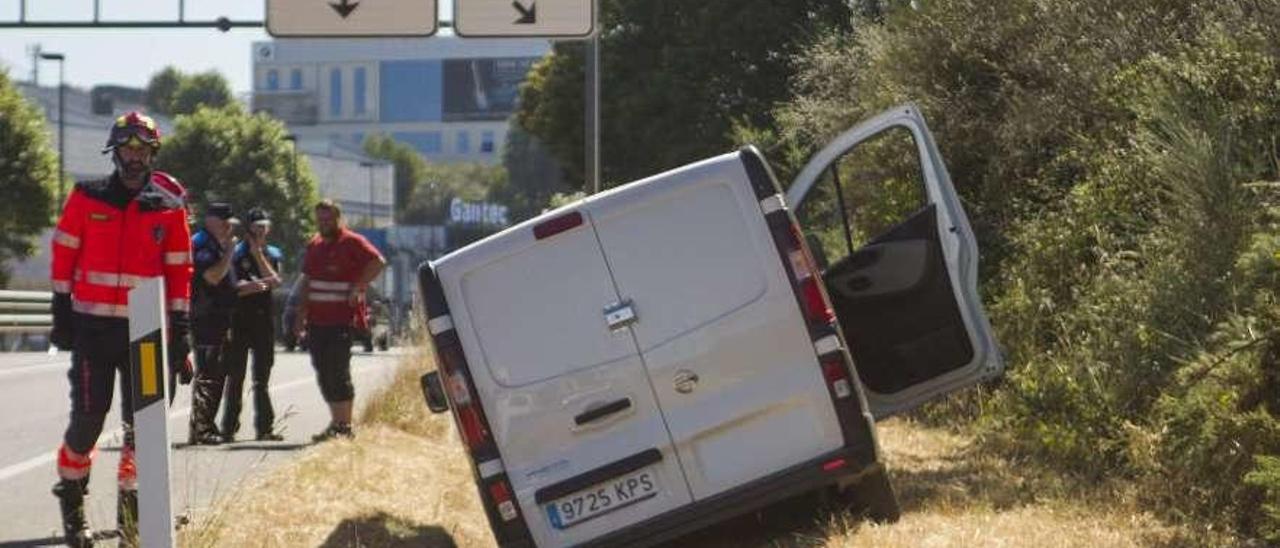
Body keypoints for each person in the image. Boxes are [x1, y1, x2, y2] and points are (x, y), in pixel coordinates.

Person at [48, 111, 193, 547]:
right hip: (93, 331)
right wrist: (61, 314)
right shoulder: (86, 197)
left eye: (142, 149)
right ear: (115, 151)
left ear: (152, 154)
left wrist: (181, 334)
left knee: (143, 431)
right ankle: (73, 503)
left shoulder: (167, 210)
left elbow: (180, 273)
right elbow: (63, 254)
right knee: (87, 423)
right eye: (127, 148)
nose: (134, 157)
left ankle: (131, 525)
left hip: (147, 337)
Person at [292, 200, 386, 442]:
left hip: (341, 321)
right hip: (317, 321)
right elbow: (307, 281)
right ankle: (337, 423)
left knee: (338, 371)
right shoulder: (314, 245)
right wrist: (300, 316)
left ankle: (345, 425)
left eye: (328, 219)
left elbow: (378, 262)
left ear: (337, 219)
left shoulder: (352, 242)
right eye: (320, 220)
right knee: (323, 372)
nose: (324, 224)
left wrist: (359, 285)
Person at [220, 207, 285, 442]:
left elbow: (275, 280)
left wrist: (259, 256)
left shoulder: (273, 252)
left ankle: (264, 427)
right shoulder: (236, 253)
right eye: (257, 226)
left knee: (262, 378)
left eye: (264, 226)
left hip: (264, 321)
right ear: (249, 227)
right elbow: (233, 287)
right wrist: (254, 286)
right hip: (240, 321)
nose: (261, 230)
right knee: (235, 377)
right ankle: (228, 428)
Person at [188, 202, 240, 446]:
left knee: (218, 374)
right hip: (206, 319)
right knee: (208, 374)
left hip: (220, 320)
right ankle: (201, 428)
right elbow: (211, 276)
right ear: (212, 221)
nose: (229, 227)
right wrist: (230, 252)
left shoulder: (217, 244)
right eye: (225, 222)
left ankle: (207, 425)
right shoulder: (201, 244)